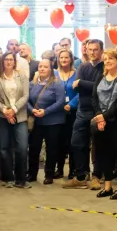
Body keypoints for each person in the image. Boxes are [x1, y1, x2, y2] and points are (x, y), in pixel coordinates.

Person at [92, 50, 117, 199]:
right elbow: (94, 99)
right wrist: (99, 116)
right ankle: (107, 186)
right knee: (104, 154)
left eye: (111, 59)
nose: (107, 61)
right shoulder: (100, 78)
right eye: (106, 59)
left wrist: (105, 116)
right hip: (101, 122)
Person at [65, 39, 103, 188]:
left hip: (98, 111)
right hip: (82, 110)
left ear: (101, 51)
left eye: (95, 49)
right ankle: (81, 176)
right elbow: (77, 89)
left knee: (98, 145)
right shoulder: (82, 66)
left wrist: (81, 82)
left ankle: (96, 177)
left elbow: (100, 87)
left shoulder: (105, 67)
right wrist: (83, 85)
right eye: (90, 49)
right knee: (76, 142)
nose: (92, 52)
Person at [27, 58, 66, 185]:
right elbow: (26, 100)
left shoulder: (57, 83)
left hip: (53, 122)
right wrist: (32, 110)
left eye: (45, 67)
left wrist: (46, 111)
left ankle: (49, 174)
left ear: (51, 69)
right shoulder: (32, 83)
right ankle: (32, 174)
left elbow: (60, 102)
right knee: (34, 148)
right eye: (40, 67)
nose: (42, 69)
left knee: (52, 148)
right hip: (37, 121)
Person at [0, 52, 30, 187]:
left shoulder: (22, 76)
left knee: (21, 147)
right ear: (2, 62)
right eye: (6, 60)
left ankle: (21, 179)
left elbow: (26, 96)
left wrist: (13, 110)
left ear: (15, 62)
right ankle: (8, 178)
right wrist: (5, 110)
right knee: (4, 148)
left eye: (11, 59)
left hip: (19, 115)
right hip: (1, 116)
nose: (9, 62)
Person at [54, 48, 79, 180]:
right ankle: (59, 169)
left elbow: (80, 93)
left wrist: (71, 104)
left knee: (72, 142)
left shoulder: (77, 73)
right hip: (56, 113)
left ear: (71, 59)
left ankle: (73, 169)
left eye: (66, 57)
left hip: (73, 112)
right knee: (59, 142)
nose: (63, 60)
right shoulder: (53, 73)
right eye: (61, 57)